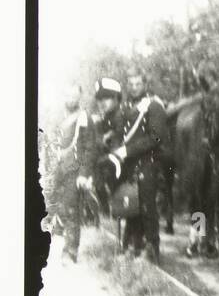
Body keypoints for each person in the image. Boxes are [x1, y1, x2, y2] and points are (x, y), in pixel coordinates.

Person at [100, 71, 171, 261]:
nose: (133, 87)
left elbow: (156, 137)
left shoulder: (154, 106)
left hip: (148, 162)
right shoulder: (125, 108)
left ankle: (152, 250)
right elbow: (119, 134)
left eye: (138, 84)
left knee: (147, 207)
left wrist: (127, 150)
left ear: (145, 85)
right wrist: (114, 147)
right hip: (129, 165)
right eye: (130, 84)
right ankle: (134, 246)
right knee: (132, 206)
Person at [49, 85, 96, 263]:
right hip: (59, 170)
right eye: (68, 94)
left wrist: (84, 173)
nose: (71, 99)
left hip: (74, 171)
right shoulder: (59, 117)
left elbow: (90, 148)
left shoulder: (84, 118)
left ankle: (70, 251)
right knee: (56, 206)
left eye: (74, 96)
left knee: (72, 210)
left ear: (79, 97)